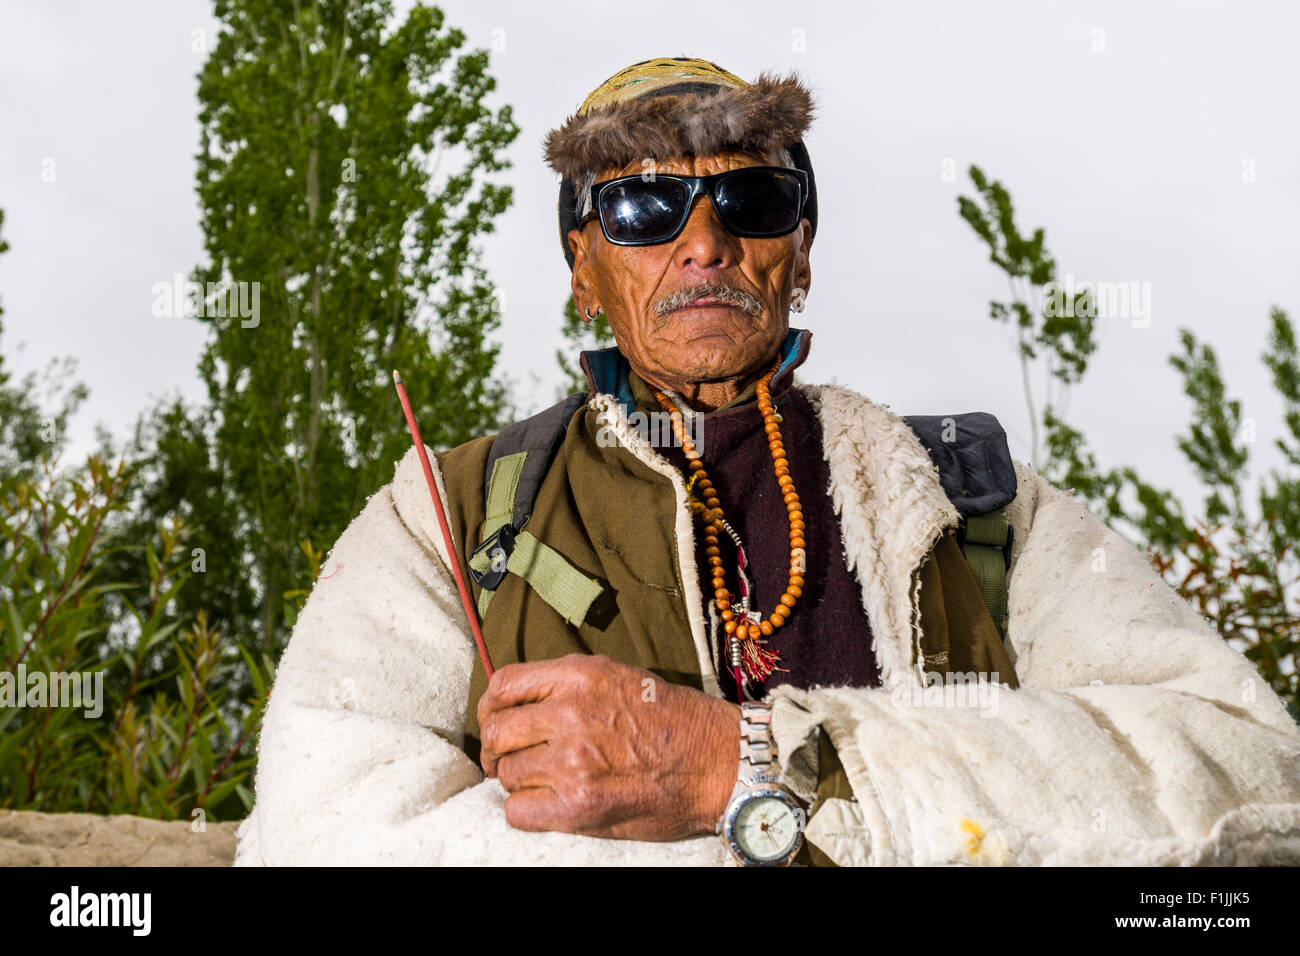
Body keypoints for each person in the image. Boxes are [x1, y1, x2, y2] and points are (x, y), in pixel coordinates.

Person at [234, 57, 1300, 866]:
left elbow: (1250, 768)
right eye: (642, 207)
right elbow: (322, 829)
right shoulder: (450, 513)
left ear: (798, 252)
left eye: (751, 200)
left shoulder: (971, 501)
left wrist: (736, 763)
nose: (702, 242)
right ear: (584, 269)